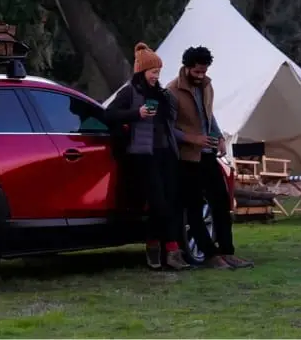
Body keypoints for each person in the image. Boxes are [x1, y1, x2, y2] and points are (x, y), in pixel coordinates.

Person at [166, 46, 254, 269]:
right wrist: (192, 139)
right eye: (196, 72)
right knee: (194, 207)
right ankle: (210, 255)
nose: (200, 76)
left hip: (208, 155)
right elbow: (167, 128)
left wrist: (220, 137)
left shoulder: (207, 86)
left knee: (221, 203)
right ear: (186, 68)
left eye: (203, 72)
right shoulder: (171, 92)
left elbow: (209, 114)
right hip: (187, 158)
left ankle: (227, 251)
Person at [106, 42, 190, 271]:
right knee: (159, 203)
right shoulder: (129, 92)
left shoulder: (161, 95)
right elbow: (109, 114)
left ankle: (153, 246)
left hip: (165, 153)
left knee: (167, 202)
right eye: (153, 72)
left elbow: (169, 124)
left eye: (159, 72)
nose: (156, 76)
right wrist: (136, 114)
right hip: (143, 156)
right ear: (142, 71)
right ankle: (172, 250)